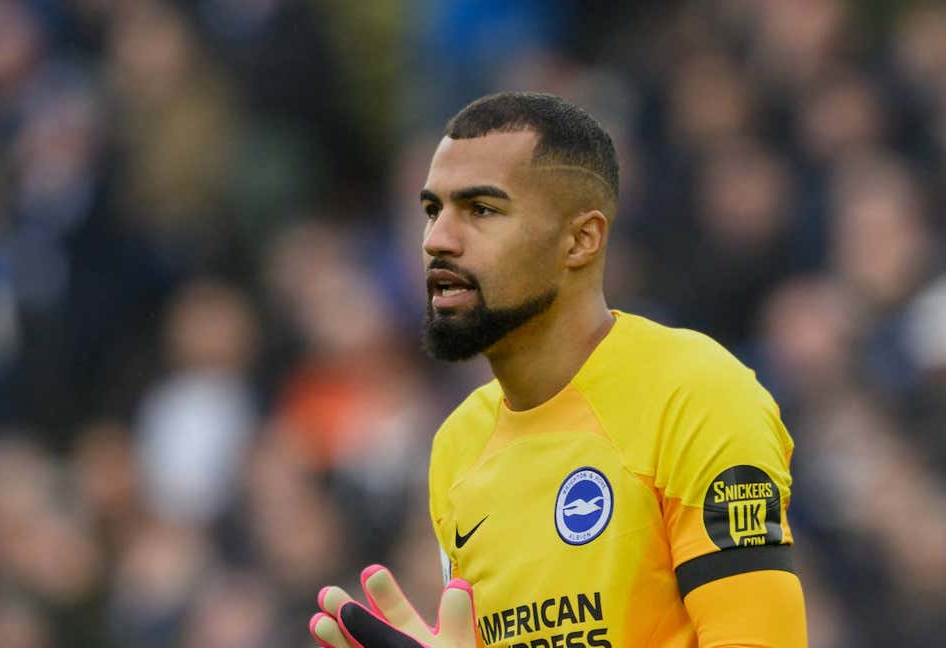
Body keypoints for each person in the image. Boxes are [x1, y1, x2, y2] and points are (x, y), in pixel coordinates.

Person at [309, 92, 807, 647]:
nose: (437, 240)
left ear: (580, 240)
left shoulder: (694, 395)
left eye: (481, 210)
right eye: (432, 210)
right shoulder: (458, 447)